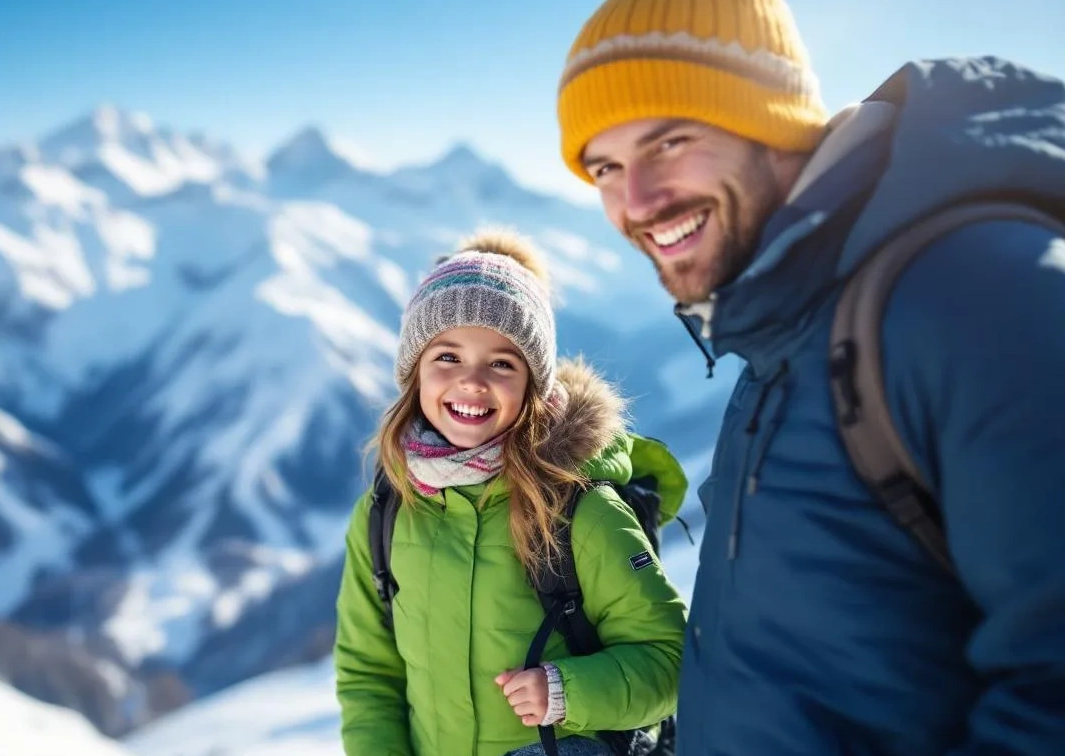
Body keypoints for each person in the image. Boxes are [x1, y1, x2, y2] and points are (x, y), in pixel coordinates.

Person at [555, 0, 1065, 754]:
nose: (636, 203)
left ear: (773, 121)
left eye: (671, 141)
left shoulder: (979, 297)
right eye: (607, 167)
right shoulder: (785, 326)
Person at [333, 229, 689, 756]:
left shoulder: (579, 509)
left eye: (502, 363)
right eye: (447, 357)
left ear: (533, 385)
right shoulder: (385, 513)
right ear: (414, 374)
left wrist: (569, 691)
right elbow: (369, 675)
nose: (472, 382)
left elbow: (673, 659)